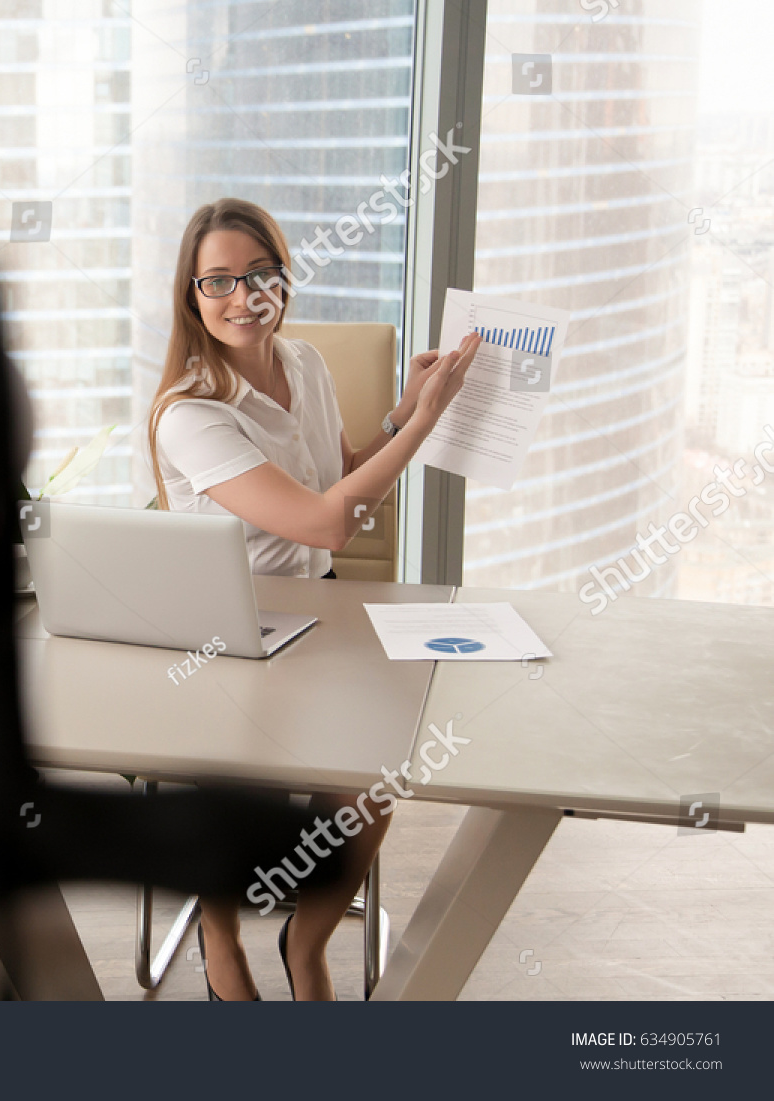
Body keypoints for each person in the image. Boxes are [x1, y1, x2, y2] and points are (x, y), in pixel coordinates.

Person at [148, 198, 481, 1001]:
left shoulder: (308, 367)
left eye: (261, 274)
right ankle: (219, 933)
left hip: (317, 609)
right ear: (191, 295)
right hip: (225, 631)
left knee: (372, 783)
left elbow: (338, 480)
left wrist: (404, 411)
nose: (243, 295)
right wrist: (426, 426)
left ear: (284, 281)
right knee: (233, 798)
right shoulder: (189, 414)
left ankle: (308, 937)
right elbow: (329, 523)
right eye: (219, 280)